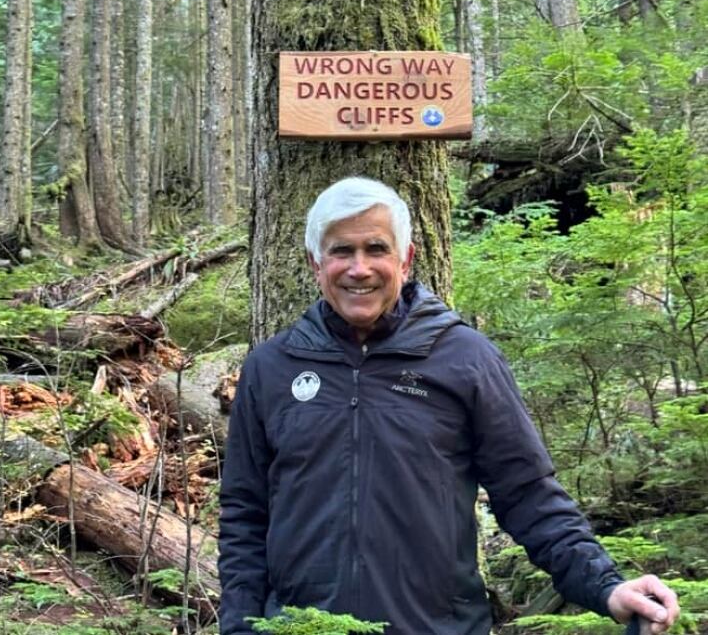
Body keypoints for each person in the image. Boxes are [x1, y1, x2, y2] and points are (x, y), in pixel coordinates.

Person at [218, 177, 680, 635]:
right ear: (315, 263)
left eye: (376, 249)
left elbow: (527, 493)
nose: (359, 268)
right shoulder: (271, 367)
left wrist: (606, 586)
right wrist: (239, 625)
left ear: (406, 258)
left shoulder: (465, 358)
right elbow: (245, 511)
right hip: (299, 629)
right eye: (341, 251)